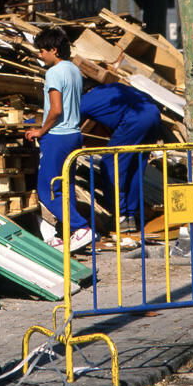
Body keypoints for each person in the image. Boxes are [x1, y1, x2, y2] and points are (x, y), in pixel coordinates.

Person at [25, 26, 92, 251]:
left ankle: (82, 228)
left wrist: (41, 131)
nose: (40, 55)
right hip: (74, 135)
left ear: (54, 50)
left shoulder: (53, 73)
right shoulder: (74, 70)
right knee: (66, 187)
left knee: (47, 190)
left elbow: (55, 110)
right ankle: (72, 233)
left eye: (42, 51)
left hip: (57, 137)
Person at [81, 82, 162, 231]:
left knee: (111, 162)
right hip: (154, 115)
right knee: (135, 167)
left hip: (136, 118)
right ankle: (130, 216)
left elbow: (69, 112)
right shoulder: (115, 88)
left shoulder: (91, 95)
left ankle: (120, 215)